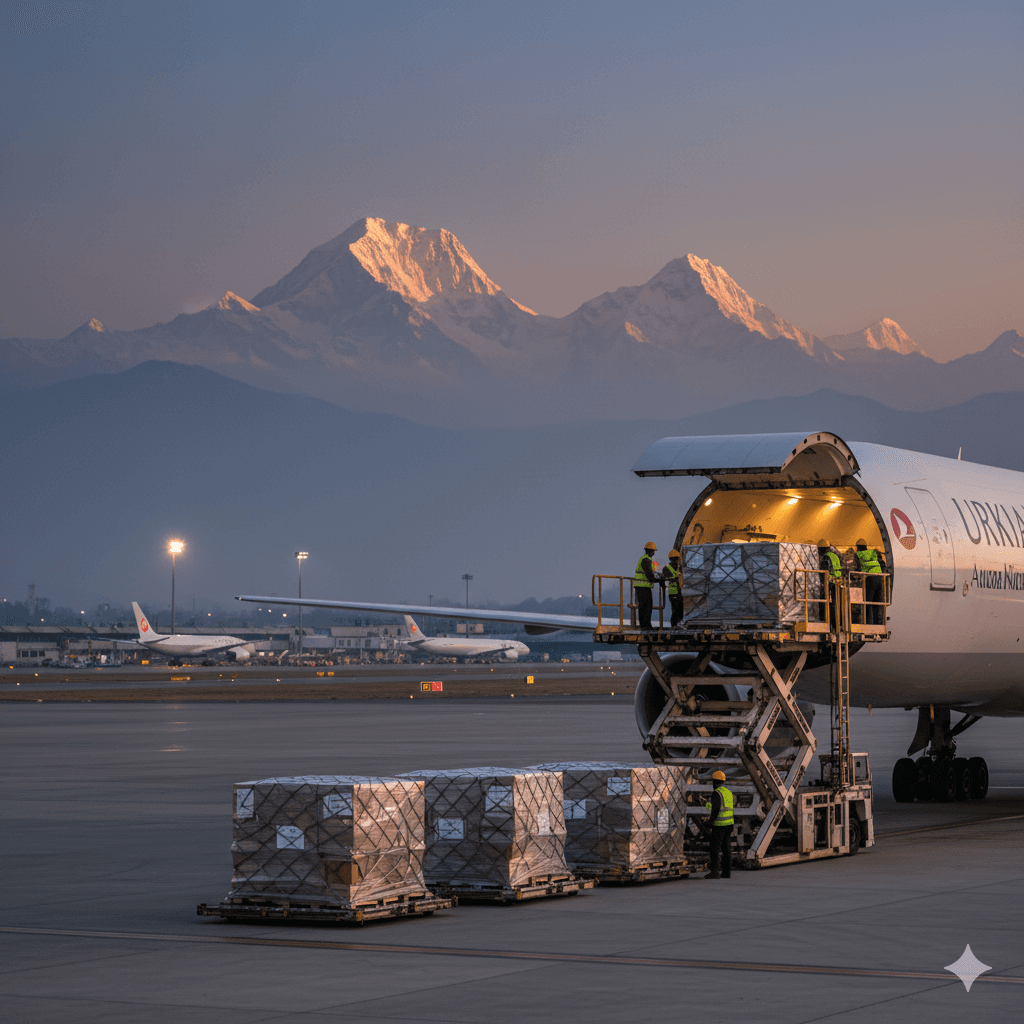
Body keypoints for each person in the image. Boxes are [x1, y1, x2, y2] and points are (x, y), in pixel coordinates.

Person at [704, 770, 733, 879]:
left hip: (719, 825)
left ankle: (715, 872)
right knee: (726, 849)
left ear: (714, 781)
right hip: (729, 824)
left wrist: (709, 823)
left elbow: (716, 810)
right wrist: (707, 805)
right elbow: (724, 807)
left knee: (715, 848)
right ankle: (726, 872)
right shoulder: (728, 792)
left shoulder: (716, 793)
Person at [855, 538, 888, 626]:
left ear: (858, 547)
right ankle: (877, 623)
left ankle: (866, 623)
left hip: (870, 578)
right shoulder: (873, 553)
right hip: (880, 577)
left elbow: (857, 568)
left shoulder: (858, 554)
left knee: (867, 602)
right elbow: (882, 564)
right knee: (876, 602)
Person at [817, 538, 842, 629]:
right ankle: (838, 625)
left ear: (822, 549)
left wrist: (822, 584)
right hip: (837, 583)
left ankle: (829, 623)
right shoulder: (834, 556)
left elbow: (824, 572)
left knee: (827, 604)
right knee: (837, 604)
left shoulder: (826, 558)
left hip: (830, 584)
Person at [634, 542, 658, 629]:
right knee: (646, 606)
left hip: (642, 586)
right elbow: (650, 575)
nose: (653, 553)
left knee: (644, 606)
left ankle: (645, 625)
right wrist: (659, 580)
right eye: (653, 551)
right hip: (642, 586)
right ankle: (645, 625)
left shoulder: (646, 559)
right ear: (650, 551)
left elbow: (651, 573)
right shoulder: (646, 560)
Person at [661, 548, 684, 627]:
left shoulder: (667, 568)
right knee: (677, 611)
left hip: (675, 592)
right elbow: (668, 578)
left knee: (677, 610)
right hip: (676, 592)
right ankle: (675, 625)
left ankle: (676, 625)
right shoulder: (670, 568)